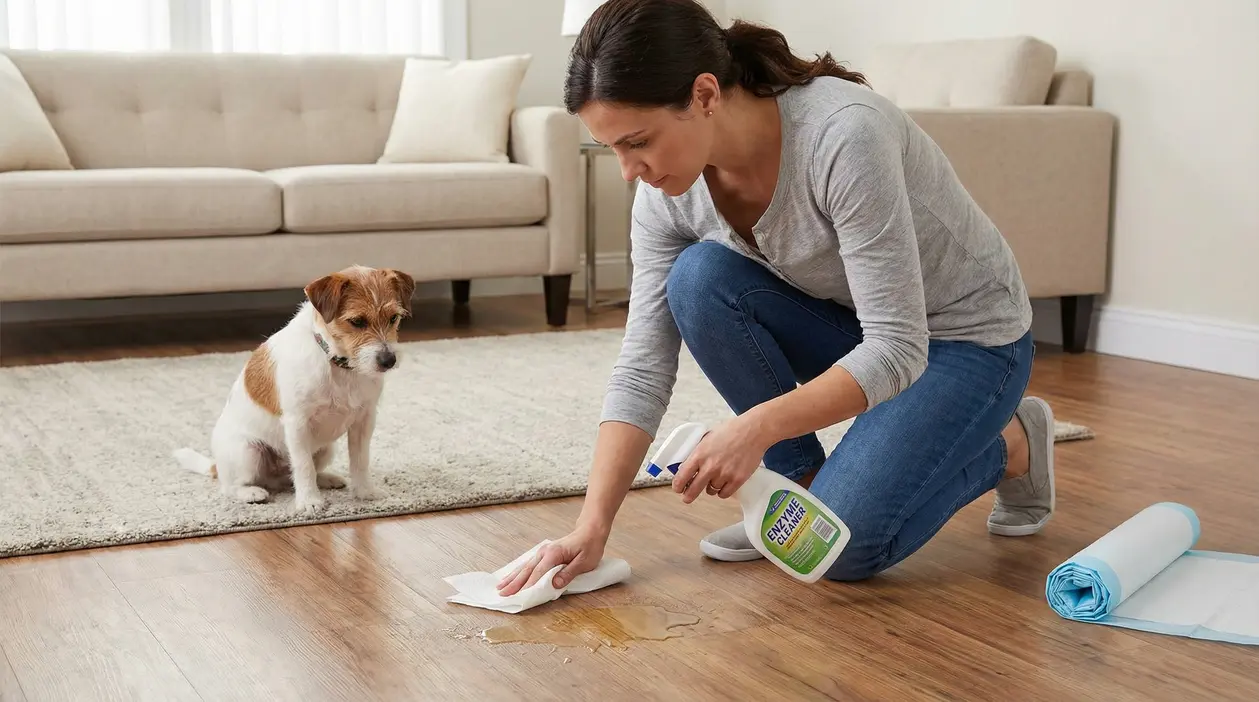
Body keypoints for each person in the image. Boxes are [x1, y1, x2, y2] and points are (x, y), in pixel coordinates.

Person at [497, 0, 1055, 596]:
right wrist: (592, 525)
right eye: (612, 148)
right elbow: (642, 364)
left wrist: (753, 430)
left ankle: (1011, 440)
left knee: (842, 550)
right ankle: (800, 494)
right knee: (699, 279)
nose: (628, 171)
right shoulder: (665, 196)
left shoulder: (844, 135)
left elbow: (896, 348)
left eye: (638, 142)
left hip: (970, 340)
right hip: (860, 326)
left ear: (705, 96)